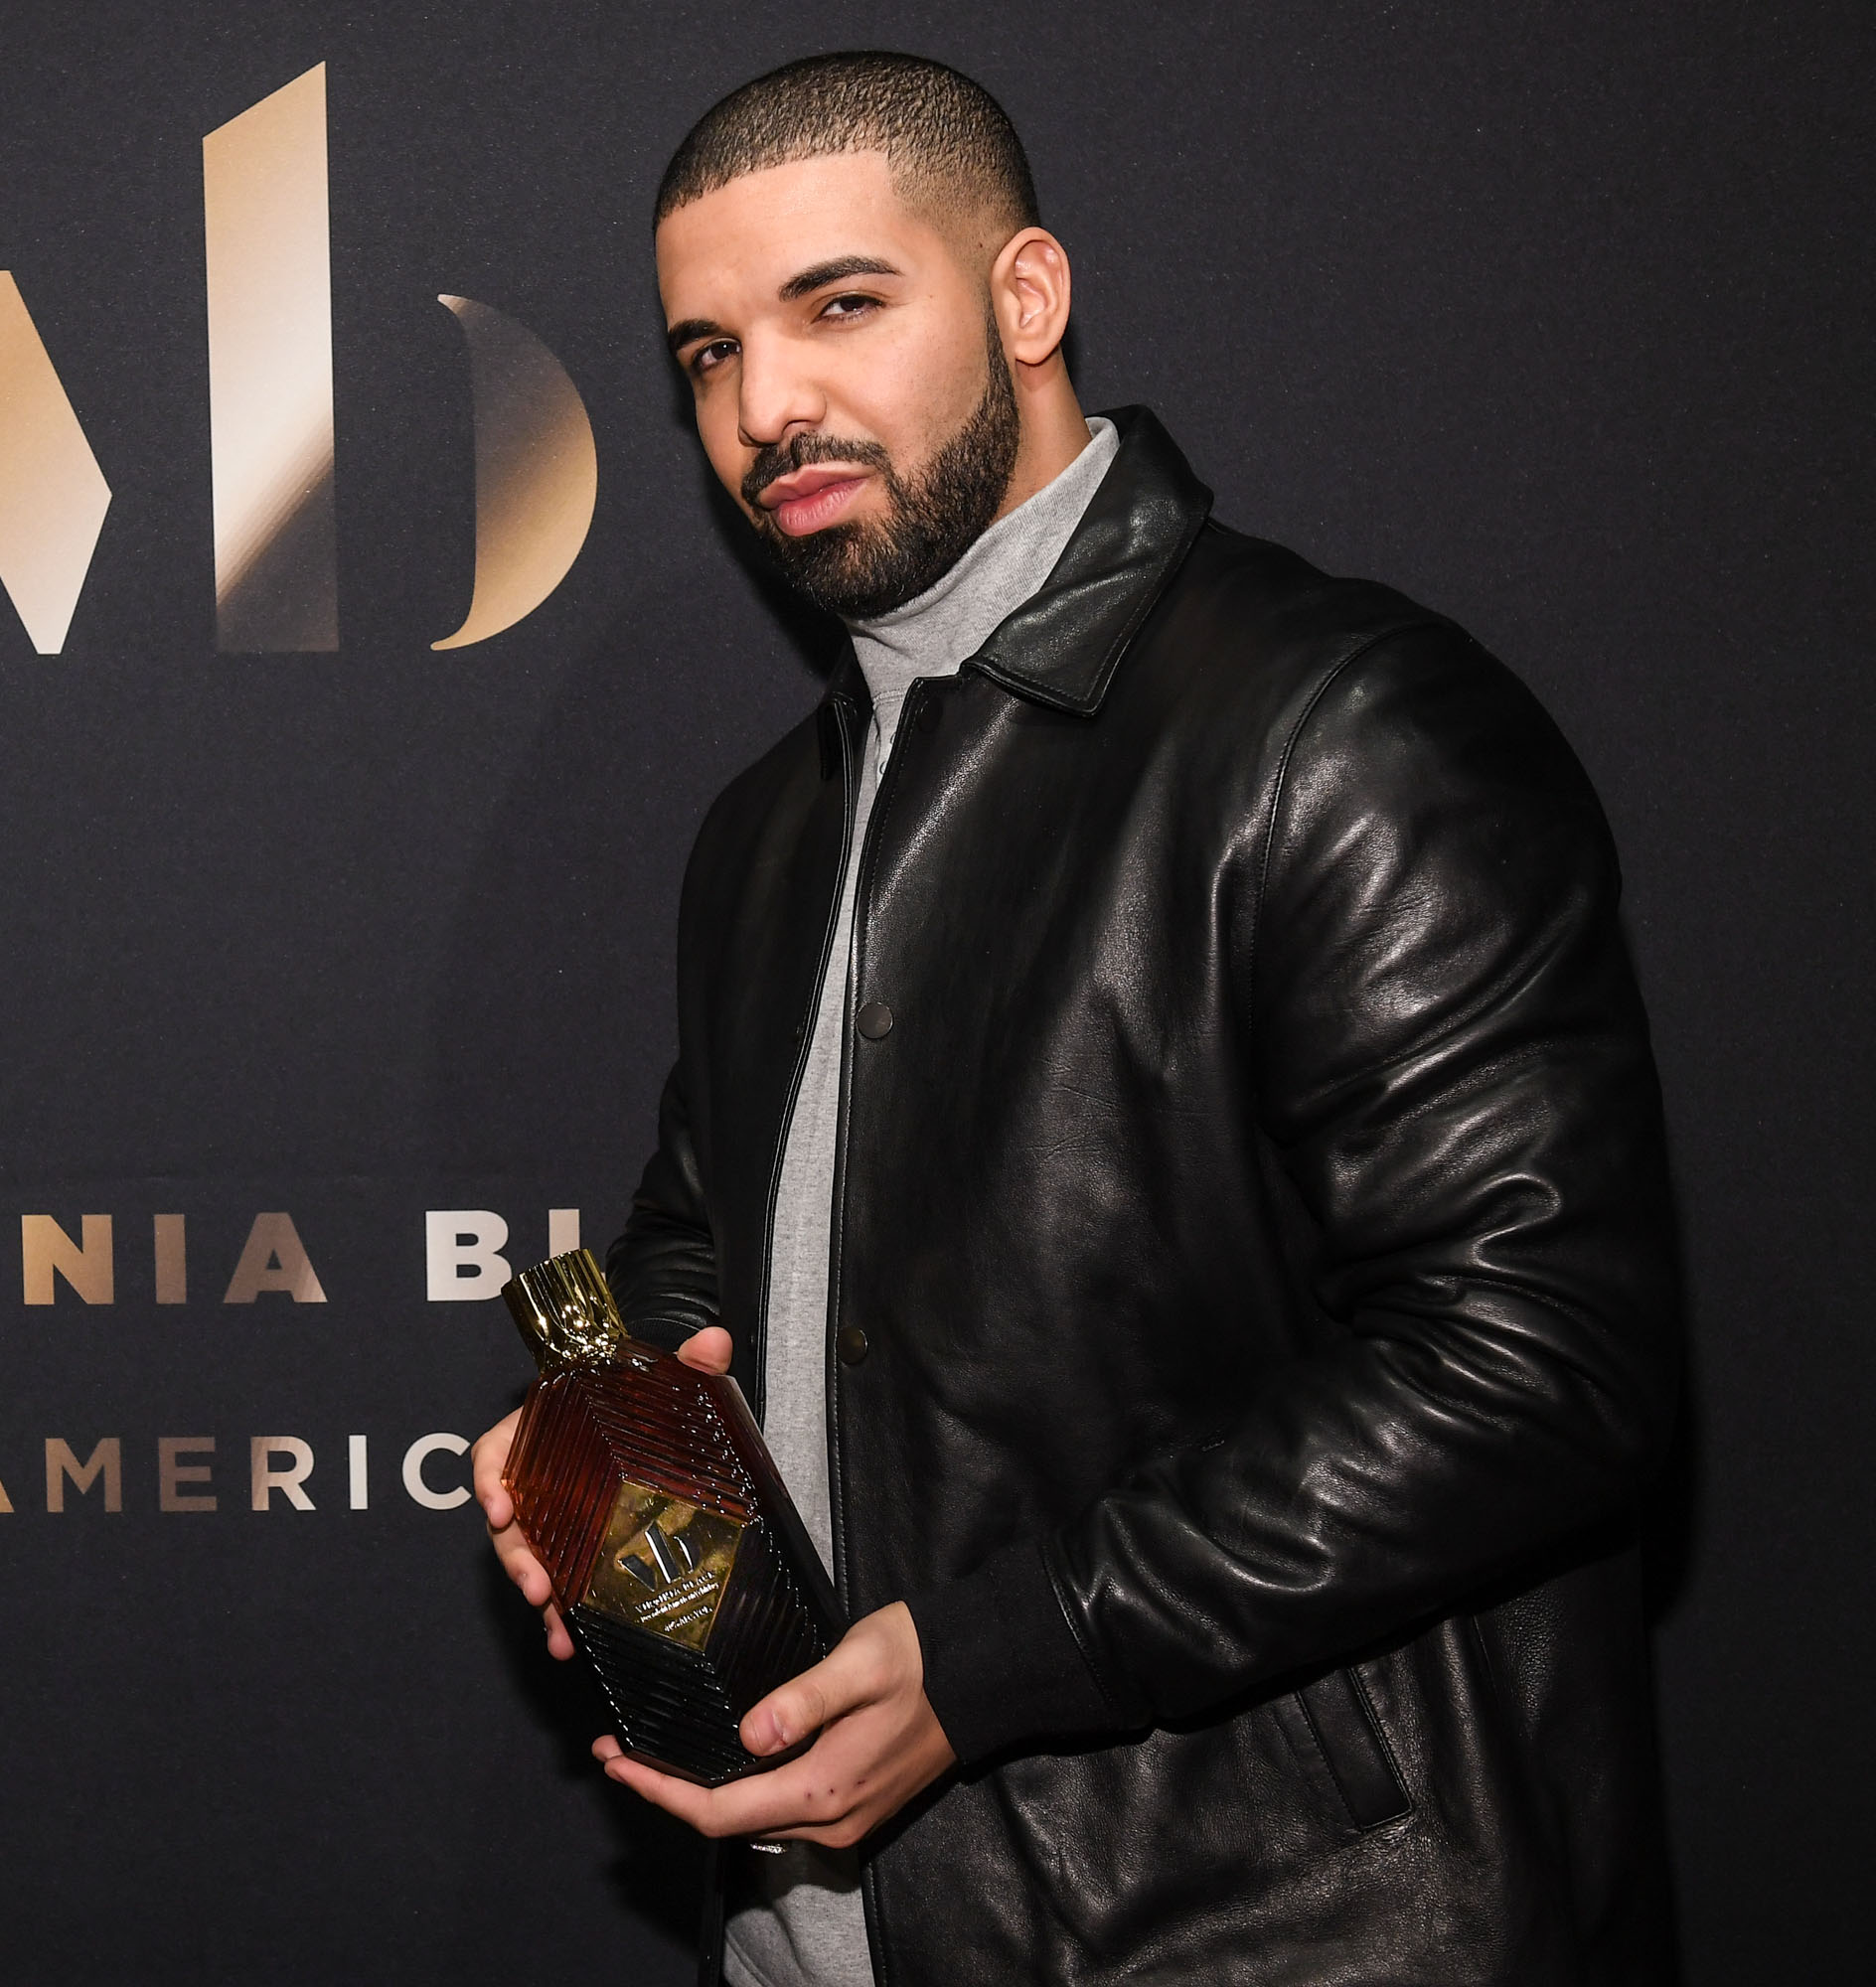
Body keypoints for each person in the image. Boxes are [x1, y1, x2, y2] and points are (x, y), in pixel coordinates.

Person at [471, 51, 1678, 1987]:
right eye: (706, 354)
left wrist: (997, 1656)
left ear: (1027, 298)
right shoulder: (771, 828)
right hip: (834, 1940)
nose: (767, 403)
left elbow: (1546, 1364)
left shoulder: (1333, 727)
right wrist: (590, 1441)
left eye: (841, 304)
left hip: (1283, 1936)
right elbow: (709, 1237)